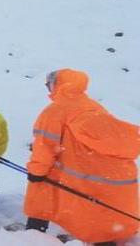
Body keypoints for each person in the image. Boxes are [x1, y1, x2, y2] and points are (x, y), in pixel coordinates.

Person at [23, 69, 139, 245]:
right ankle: (106, 238)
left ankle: (34, 234)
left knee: (41, 191)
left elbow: (44, 146)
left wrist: (36, 171)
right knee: (96, 208)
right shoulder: (93, 105)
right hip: (100, 170)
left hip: (74, 169)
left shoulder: (55, 111)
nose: (48, 89)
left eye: (49, 85)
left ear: (57, 85)